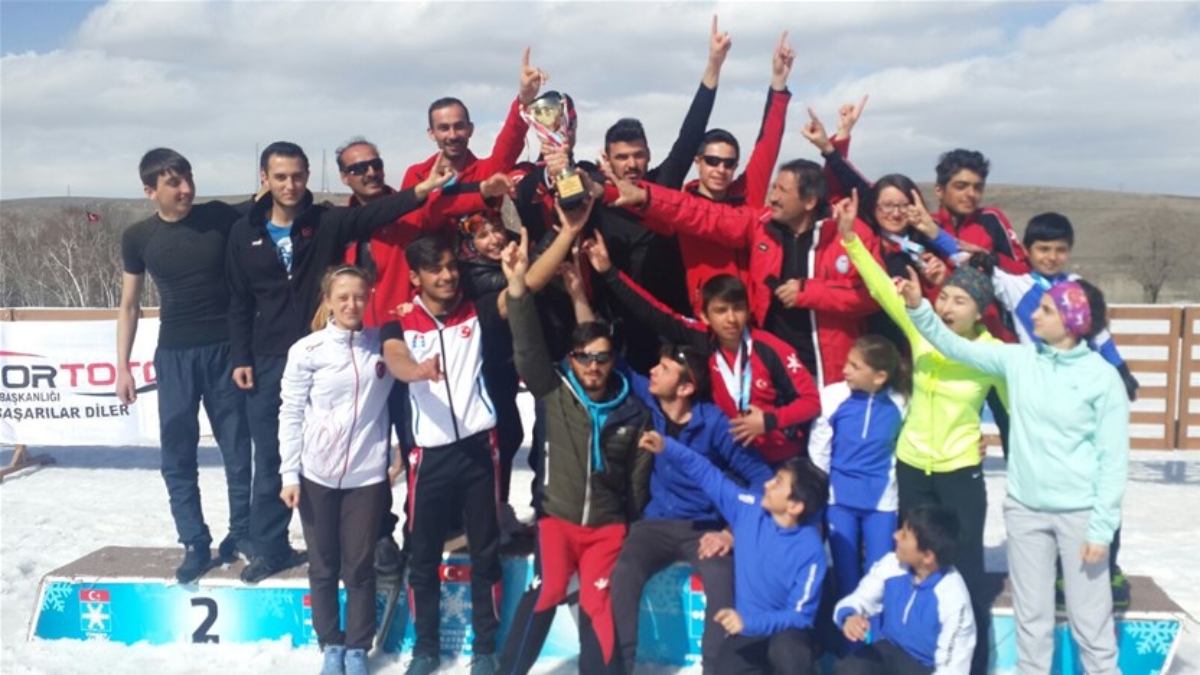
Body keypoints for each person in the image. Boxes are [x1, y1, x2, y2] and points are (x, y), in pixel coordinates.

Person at [226, 141, 453, 584]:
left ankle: (368, 539)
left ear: (308, 176)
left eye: (297, 176)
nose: (290, 185)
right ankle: (270, 547)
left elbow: (375, 214)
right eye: (280, 177)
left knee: (352, 449)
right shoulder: (243, 232)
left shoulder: (325, 222)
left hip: (328, 353)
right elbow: (237, 298)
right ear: (264, 178)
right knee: (272, 453)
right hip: (269, 356)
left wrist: (421, 190)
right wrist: (241, 355)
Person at [900, 274, 1129, 675]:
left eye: (1046, 310)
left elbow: (1113, 458)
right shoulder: (1019, 360)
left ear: (1073, 321)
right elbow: (952, 345)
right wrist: (919, 306)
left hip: (1080, 516)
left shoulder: (1102, 377)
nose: (1034, 315)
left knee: (1091, 622)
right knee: (1031, 619)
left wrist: (1101, 527)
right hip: (1025, 512)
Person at [835, 190, 1002, 675]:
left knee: (965, 574)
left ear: (979, 311)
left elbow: (1020, 409)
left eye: (959, 300)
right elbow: (882, 289)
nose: (946, 304)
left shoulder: (993, 354)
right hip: (913, 467)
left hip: (959, 473)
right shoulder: (921, 329)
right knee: (910, 565)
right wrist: (851, 239)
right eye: (944, 295)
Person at [335, 136, 513, 580]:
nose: (370, 172)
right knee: (366, 447)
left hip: (404, 339)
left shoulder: (409, 206)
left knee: (419, 443)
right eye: (358, 168)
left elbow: (449, 203)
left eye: (375, 164)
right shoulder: (340, 223)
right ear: (344, 177)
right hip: (357, 347)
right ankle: (379, 534)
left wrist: (484, 190)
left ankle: (425, 530)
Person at [498, 214, 654, 675]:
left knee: (598, 602)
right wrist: (518, 287)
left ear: (613, 361)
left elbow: (637, 485)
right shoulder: (555, 390)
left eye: (602, 358)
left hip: (606, 529)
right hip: (558, 520)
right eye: (584, 358)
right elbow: (526, 346)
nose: (593, 366)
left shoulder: (633, 411)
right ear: (572, 359)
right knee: (547, 591)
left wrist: (632, 528)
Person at [604, 154, 879, 387]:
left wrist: (808, 292)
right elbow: (702, 214)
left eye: (782, 191)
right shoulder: (761, 226)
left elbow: (873, 295)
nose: (773, 197)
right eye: (773, 188)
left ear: (809, 201)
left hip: (834, 375)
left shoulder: (848, 233)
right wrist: (644, 196)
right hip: (776, 370)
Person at [116, 148, 254, 583]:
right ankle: (194, 541)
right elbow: (129, 305)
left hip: (226, 351)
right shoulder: (138, 237)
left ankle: (242, 532)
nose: (186, 189)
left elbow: (270, 197)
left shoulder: (218, 216)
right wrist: (122, 366)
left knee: (237, 449)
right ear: (150, 190)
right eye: (173, 182)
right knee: (177, 453)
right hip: (175, 355)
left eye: (188, 178)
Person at [607, 337, 774, 672]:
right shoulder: (650, 404)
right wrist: (582, 307)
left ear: (685, 388)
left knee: (722, 579)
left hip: (704, 528)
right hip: (653, 525)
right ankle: (620, 666)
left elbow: (762, 478)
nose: (653, 371)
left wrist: (731, 532)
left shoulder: (714, 424)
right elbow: (614, 361)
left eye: (664, 368)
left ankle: (716, 667)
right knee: (624, 572)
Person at [585, 234, 820, 466]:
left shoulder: (771, 348)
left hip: (781, 460)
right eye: (721, 310)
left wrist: (769, 421)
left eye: (738, 308)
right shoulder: (702, 338)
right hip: (733, 457)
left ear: (748, 310)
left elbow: (812, 402)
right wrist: (609, 272)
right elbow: (654, 312)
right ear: (705, 316)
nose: (731, 319)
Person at [381, 234, 503, 675]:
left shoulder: (477, 311)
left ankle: (485, 648)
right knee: (423, 555)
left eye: (452, 266)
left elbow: (523, 290)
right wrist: (418, 371)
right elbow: (394, 358)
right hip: (429, 456)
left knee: (486, 551)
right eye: (436, 269)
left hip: (478, 448)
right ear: (415, 277)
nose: (448, 276)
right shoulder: (400, 322)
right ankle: (426, 649)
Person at [278, 266, 392, 675]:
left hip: (367, 476)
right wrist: (290, 474)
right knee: (323, 565)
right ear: (328, 300)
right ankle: (330, 643)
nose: (351, 304)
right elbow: (291, 413)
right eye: (342, 297)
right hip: (316, 476)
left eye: (359, 296)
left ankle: (357, 647)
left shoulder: (382, 345)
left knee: (359, 565)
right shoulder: (307, 351)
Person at [638, 429, 829, 675]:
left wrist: (749, 621)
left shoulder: (811, 550)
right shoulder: (748, 510)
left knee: (789, 652)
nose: (767, 484)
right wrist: (667, 446)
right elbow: (706, 473)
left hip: (785, 633)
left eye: (778, 483)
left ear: (794, 506)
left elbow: (800, 616)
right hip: (746, 632)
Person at [673, 30, 794, 316]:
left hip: (754, 316)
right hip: (709, 319)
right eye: (713, 161)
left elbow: (768, 146)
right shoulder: (682, 208)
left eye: (729, 164)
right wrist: (714, 63)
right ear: (698, 162)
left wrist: (778, 82)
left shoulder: (745, 196)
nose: (721, 169)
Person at [809, 335, 909, 602]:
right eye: (847, 363)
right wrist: (822, 493)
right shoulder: (832, 397)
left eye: (855, 366)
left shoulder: (902, 402)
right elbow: (819, 452)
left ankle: (877, 629)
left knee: (879, 577)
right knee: (847, 578)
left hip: (881, 503)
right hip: (839, 501)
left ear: (879, 377)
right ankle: (847, 629)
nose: (845, 370)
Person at [833, 505, 975, 675]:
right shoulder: (892, 565)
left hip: (926, 668)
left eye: (905, 535)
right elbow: (860, 598)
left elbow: (953, 668)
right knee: (851, 668)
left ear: (927, 556)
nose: (896, 536)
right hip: (890, 652)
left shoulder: (953, 597)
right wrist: (850, 617)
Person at [399, 47, 545, 203]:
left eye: (459, 126)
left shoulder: (486, 173)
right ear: (431, 133)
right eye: (444, 128)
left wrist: (524, 99)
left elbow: (509, 143)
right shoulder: (416, 176)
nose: (452, 135)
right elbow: (405, 216)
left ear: (471, 129)